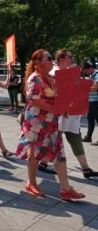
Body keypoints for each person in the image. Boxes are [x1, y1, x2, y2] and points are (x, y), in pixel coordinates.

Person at [15, 49, 84, 200]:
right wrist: (56, 108)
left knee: (59, 153)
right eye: (49, 58)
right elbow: (34, 100)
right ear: (38, 62)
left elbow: (56, 97)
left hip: (51, 122)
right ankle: (31, 183)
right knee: (33, 154)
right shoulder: (35, 78)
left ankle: (66, 189)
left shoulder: (49, 78)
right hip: (36, 122)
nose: (52, 60)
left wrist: (64, 108)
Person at [38, 50, 98, 178]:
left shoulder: (72, 72)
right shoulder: (53, 73)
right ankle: (42, 164)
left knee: (75, 138)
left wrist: (86, 86)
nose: (72, 59)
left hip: (72, 113)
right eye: (70, 56)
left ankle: (86, 169)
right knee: (53, 139)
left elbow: (76, 89)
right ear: (61, 58)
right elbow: (52, 93)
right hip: (59, 113)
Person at [82, 62, 98, 144]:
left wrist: (85, 88)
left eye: (86, 71)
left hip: (96, 101)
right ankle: (88, 137)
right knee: (90, 119)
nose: (85, 73)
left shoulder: (97, 75)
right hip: (91, 101)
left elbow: (95, 88)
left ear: (90, 68)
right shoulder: (92, 76)